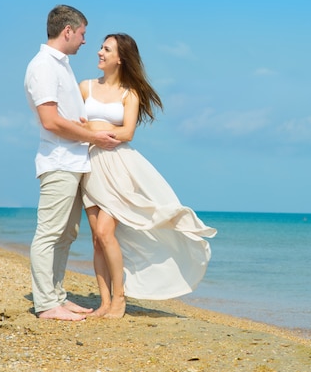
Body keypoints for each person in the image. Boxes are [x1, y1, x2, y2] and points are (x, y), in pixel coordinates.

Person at [79, 33, 216, 318]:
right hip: (89, 165)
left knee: (106, 232)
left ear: (120, 58)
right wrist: (94, 132)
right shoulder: (85, 87)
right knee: (96, 238)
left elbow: (127, 133)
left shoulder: (130, 94)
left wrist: (93, 130)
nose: (99, 52)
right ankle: (103, 303)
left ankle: (119, 299)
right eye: (101, 47)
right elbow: (73, 124)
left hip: (117, 167)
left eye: (106, 49)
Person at [24, 5, 121, 321]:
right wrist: (92, 136)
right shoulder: (43, 67)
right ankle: (45, 304)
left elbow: (63, 115)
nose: (84, 41)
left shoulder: (61, 65)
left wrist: (83, 126)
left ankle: (57, 297)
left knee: (66, 235)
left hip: (74, 162)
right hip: (59, 161)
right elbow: (50, 121)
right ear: (68, 31)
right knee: (49, 233)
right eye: (82, 34)